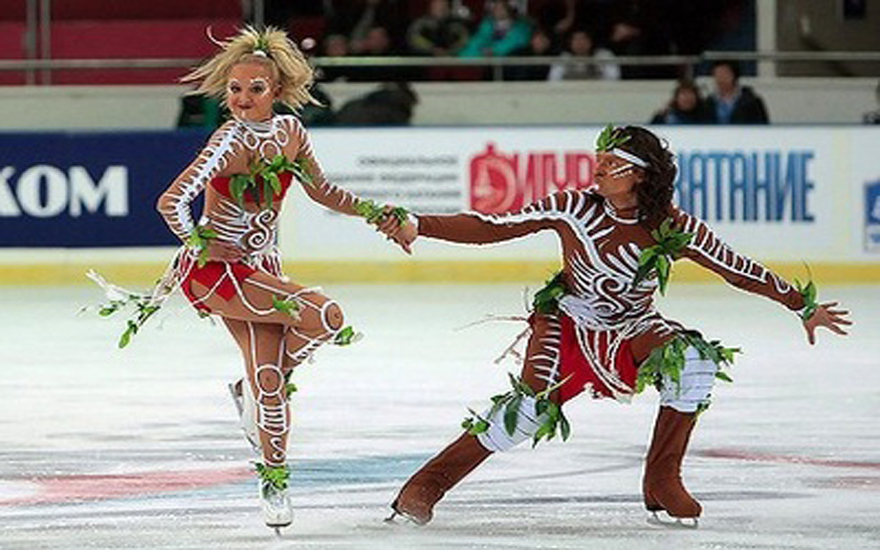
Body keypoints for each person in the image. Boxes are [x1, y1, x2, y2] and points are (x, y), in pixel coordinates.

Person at [378, 125, 851, 527]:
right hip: (566, 324)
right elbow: (493, 226)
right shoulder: (573, 207)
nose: (597, 170)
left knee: (693, 362)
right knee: (525, 415)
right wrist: (420, 223)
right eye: (598, 160)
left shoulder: (670, 226)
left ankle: (661, 479)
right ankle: (425, 486)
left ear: (639, 175)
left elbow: (734, 266)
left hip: (632, 328)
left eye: (610, 163)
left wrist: (799, 305)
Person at [94, 26, 409, 534]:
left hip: (264, 273)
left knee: (268, 380)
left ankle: (273, 476)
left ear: (278, 90)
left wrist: (377, 212)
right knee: (326, 316)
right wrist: (198, 242)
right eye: (235, 90)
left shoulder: (291, 134)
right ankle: (265, 442)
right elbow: (171, 202)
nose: (242, 99)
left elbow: (324, 191)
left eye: (255, 89)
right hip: (218, 276)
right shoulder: (227, 140)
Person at [705, 59, 769, 124]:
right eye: (717, 74)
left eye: (725, 74)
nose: (721, 78)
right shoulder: (709, 102)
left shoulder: (752, 101)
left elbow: (762, 126)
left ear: (734, 75)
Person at [548, 29, 620, 81]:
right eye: (576, 39)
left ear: (590, 41)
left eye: (583, 39)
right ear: (570, 43)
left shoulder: (603, 55)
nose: (580, 43)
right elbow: (554, 79)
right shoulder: (564, 58)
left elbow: (613, 78)